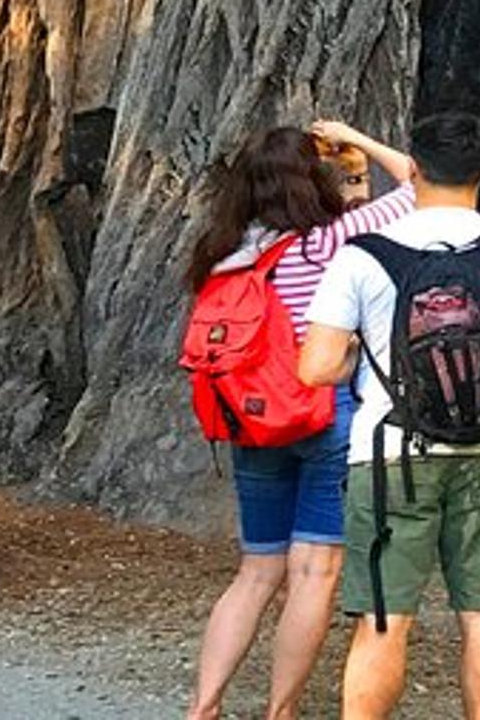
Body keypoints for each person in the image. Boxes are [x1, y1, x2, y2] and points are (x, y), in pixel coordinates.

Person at [297, 112, 480, 720]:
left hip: (390, 457)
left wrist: (361, 359)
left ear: (412, 170)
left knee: (385, 619)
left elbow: (315, 368)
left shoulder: (361, 257)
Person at [184, 121, 415, 720]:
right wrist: (354, 140)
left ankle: (202, 707)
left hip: (251, 420)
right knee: (314, 571)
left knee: (256, 571)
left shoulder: (221, 254)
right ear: (312, 182)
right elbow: (421, 182)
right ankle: (279, 711)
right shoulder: (332, 241)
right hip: (322, 416)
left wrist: (356, 179)